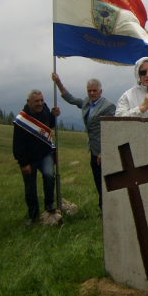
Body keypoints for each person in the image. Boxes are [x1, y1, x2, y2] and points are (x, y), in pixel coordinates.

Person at [51, 73, 116, 210]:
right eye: (89, 91)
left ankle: (108, 208)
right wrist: (58, 82)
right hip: (93, 150)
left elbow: (112, 130)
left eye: (94, 91)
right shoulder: (87, 102)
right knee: (98, 181)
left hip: (104, 151)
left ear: (100, 91)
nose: (92, 93)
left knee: (106, 181)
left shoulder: (108, 106)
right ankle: (104, 208)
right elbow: (72, 99)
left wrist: (104, 150)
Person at [13, 89, 60, 227]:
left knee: (49, 176)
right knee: (30, 188)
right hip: (28, 159)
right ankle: (33, 215)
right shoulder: (21, 120)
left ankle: (49, 205)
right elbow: (18, 145)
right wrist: (23, 163)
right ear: (29, 102)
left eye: (41, 100)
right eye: (37, 101)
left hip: (45, 154)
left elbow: (49, 124)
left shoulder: (44, 109)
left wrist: (53, 115)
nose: (40, 103)